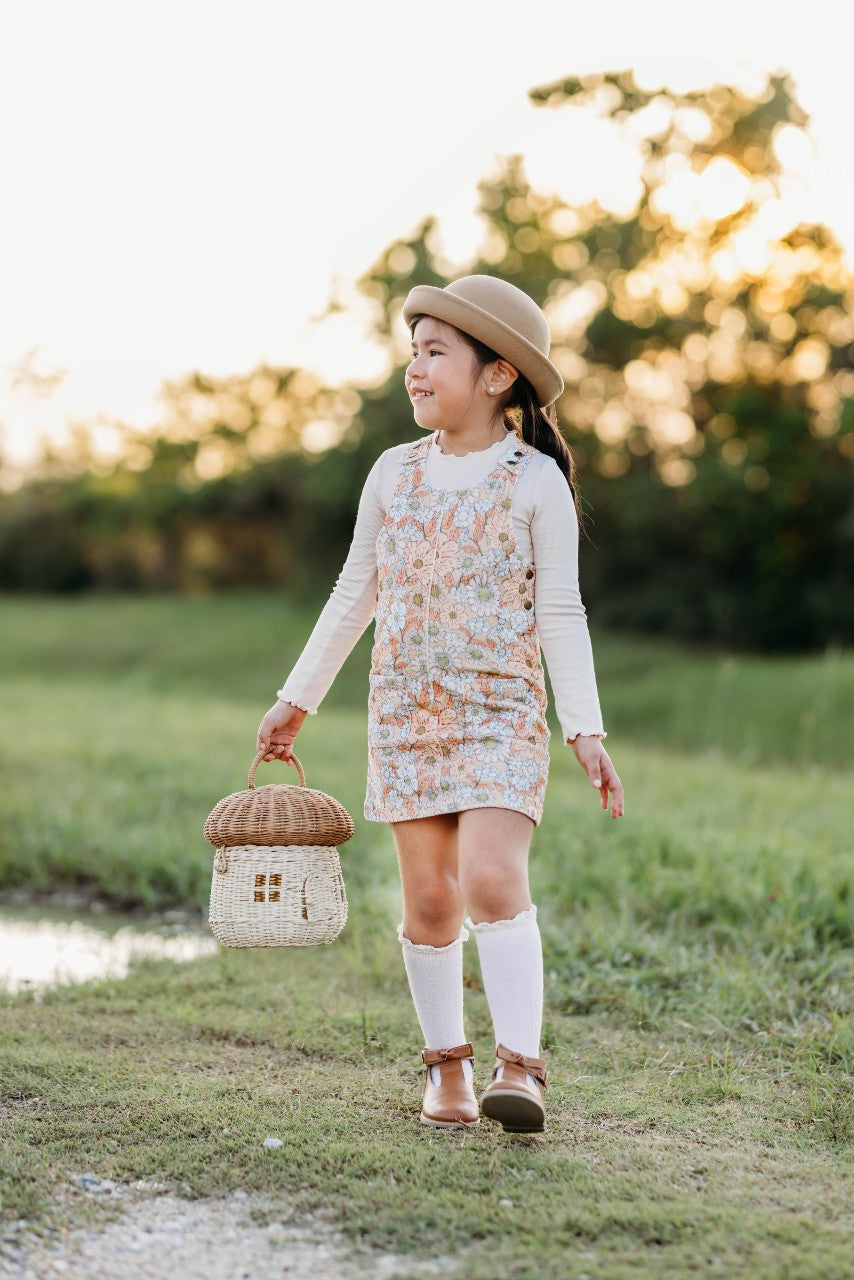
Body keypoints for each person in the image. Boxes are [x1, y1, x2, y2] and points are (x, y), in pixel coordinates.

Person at [257, 274, 624, 1134]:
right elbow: (355, 593)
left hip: (500, 716)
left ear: (498, 377)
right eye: (412, 353)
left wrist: (585, 727)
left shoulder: (536, 483)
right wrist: (295, 699)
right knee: (429, 902)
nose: (415, 371)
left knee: (492, 880)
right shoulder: (393, 475)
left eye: (435, 354)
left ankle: (521, 1069)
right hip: (406, 717)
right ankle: (447, 1069)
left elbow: (561, 612)